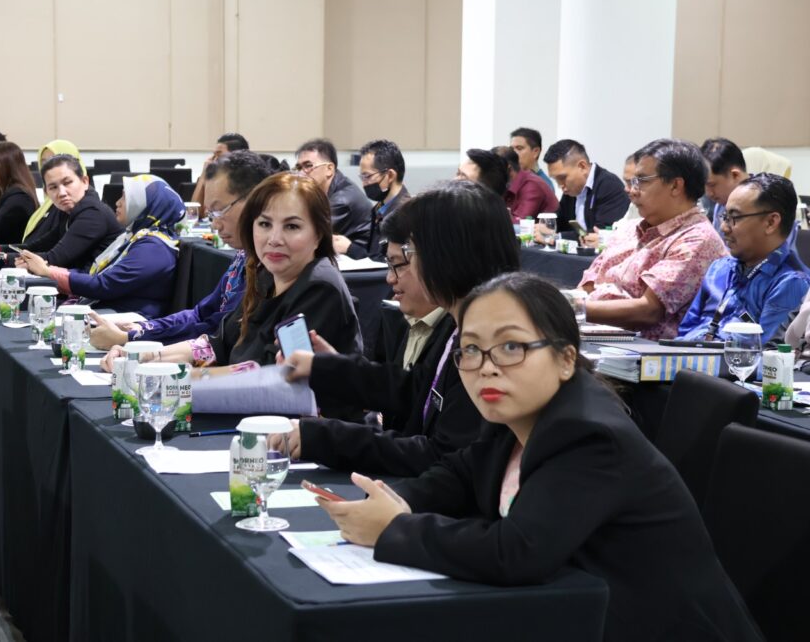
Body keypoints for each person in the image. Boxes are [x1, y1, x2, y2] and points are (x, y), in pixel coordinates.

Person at [315, 273, 763, 642]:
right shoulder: (517, 413)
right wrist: (392, 502)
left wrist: (393, 528)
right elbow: (459, 474)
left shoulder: (590, 434)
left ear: (566, 359)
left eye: (511, 347)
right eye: (471, 349)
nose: (487, 365)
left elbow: (517, 552)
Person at [271, 183, 520, 476]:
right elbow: (414, 389)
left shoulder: (491, 344)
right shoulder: (459, 322)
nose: (392, 277)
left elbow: (442, 456)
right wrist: (324, 368)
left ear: (447, 254)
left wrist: (321, 437)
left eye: (407, 257)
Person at [127, 172, 362, 373]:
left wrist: (187, 379)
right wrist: (146, 358)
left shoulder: (319, 288)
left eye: (292, 226)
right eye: (265, 224)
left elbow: (271, 378)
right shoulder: (264, 275)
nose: (274, 239)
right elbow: (217, 345)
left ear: (319, 234)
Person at [89, 150, 272, 349]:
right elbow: (200, 314)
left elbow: (216, 329)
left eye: (220, 210)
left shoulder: (268, 267)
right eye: (211, 213)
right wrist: (142, 328)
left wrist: (132, 337)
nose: (215, 224)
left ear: (254, 198)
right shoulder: (243, 257)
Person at [580, 139, 727, 340]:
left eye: (641, 181)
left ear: (675, 185)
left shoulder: (697, 239)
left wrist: (573, 309)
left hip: (641, 350)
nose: (631, 190)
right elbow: (588, 286)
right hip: (593, 335)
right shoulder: (629, 229)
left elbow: (648, 311)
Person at [19, 175, 184, 316]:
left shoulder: (154, 248)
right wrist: (48, 270)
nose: (118, 203)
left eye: (125, 198)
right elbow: (97, 277)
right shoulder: (136, 237)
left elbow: (104, 285)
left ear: (145, 205)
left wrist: (48, 272)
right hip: (109, 310)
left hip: (125, 320)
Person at [678, 173, 809, 342]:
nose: (724, 228)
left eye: (734, 218)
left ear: (771, 222)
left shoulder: (791, 282)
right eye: (724, 217)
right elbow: (684, 331)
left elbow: (763, 351)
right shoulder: (719, 269)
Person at [0, 153, 122, 271]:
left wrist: (0, 257)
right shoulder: (67, 210)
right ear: (46, 192)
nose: (62, 193)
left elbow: (54, 259)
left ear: (84, 181)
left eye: (67, 182)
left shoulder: (93, 213)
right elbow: (38, 246)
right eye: (53, 187)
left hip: (93, 287)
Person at [538, 139, 630, 246]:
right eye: (556, 179)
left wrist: (556, 237)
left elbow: (599, 234)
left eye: (562, 178)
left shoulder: (609, 186)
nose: (560, 185)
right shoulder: (571, 189)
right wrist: (545, 228)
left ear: (582, 167)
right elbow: (560, 222)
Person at [335, 139, 410, 261]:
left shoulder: (405, 215)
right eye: (362, 177)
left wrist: (350, 248)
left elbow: (388, 261)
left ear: (390, 175)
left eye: (367, 176)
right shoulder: (380, 208)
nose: (364, 184)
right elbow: (373, 253)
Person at [295, 138, 373, 252]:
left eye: (308, 166)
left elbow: (311, 237)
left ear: (329, 169)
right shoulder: (326, 190)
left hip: (359, 258)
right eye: (299, 168)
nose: (301, 173)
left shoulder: (342, 200)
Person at [20, 139, 87, 242]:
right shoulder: (49, 203)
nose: (48, 166)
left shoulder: (69, 206)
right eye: (44, 162)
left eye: (54, 160)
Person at [491, 146, 558, 223]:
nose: (490, 175)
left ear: (508, 168)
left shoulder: (532, 185)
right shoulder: (506, 184)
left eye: (493, 170)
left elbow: (520, 224)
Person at [191, 132, 249, 218]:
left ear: (237, 156)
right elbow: (193, 213)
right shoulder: (214, 180)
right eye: (214, 155)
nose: (214, 160)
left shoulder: (249, 181)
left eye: (219, 155)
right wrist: (204, 175)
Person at [701, 138, 750, 236]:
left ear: (735, 175)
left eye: (712, 185)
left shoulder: (763, 202)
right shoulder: (721, 203)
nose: (709, 193)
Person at [509, 127, 555, 191]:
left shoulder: (544, 184)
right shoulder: (509, 179)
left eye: (519, 148)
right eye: (511, 149)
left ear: (535, 152)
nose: (513, 153)